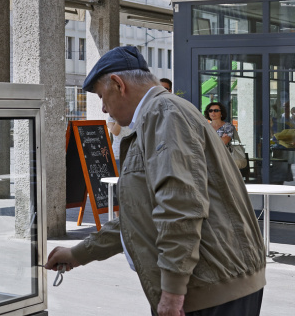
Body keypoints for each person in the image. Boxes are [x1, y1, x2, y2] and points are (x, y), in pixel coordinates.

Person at [45, 46, 265, 316]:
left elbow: (180, 205)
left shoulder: (164, 114)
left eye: (103, 97)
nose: (103, 108)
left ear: (118, 84)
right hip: (213, 285)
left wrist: (172, 292)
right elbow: (141, 214)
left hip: (211, 291)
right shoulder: (160, 114)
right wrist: (79, 254)